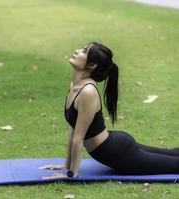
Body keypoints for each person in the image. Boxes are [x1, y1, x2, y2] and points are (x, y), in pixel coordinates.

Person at [39, 41, 179, 178]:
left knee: (174, 163)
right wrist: (67, 166)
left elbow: (79, 138)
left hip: (119, 153)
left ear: (92, 65)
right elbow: (74, 128)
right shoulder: (75, 86)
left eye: (83, 51)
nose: (77, 51)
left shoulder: (87, 92)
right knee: (172, 154)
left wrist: (71, 174)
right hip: (115, 145)